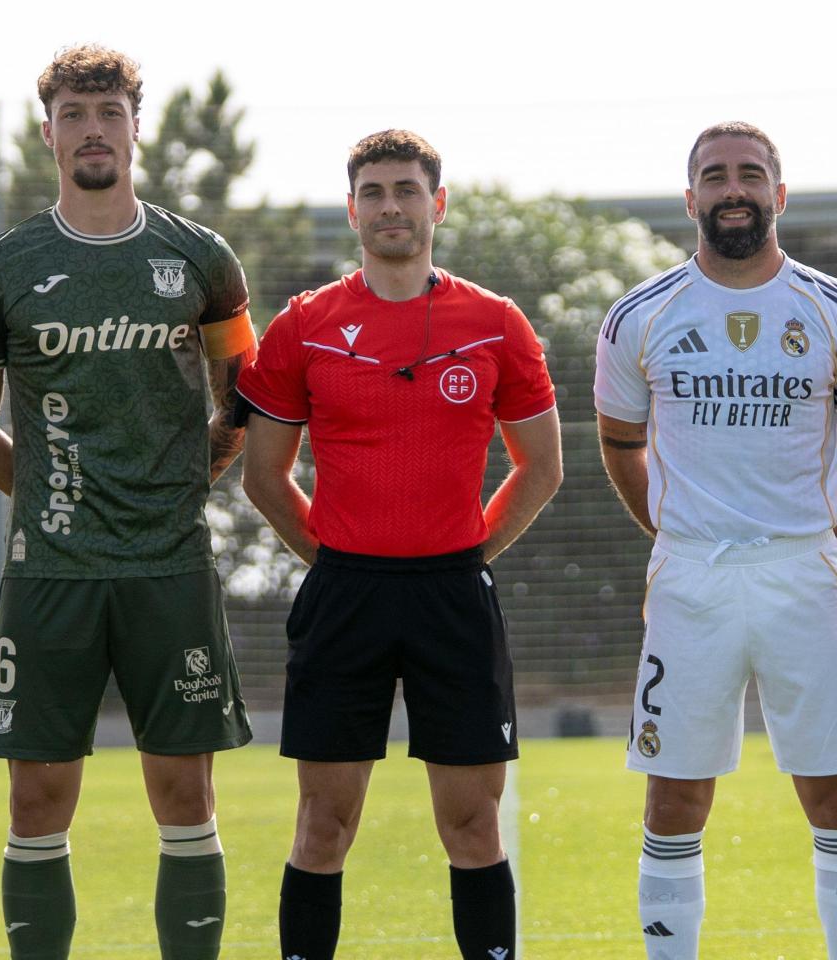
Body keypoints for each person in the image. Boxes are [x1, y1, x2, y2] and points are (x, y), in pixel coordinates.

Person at [0, 45, 255, 960]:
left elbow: (241, 401)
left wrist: (182, 489)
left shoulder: (201, 257)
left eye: (109, 113)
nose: (93, 130)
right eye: (75, 116)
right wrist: (54, 503)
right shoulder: (2, 267)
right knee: (37, 800)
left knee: (185, 797)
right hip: (53, 574)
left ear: (133, 125)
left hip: (172, 568)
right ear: (49, 133)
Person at [238, 129, 562, 960]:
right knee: (324, 823)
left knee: (472, 822)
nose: (391, 206)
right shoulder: (306, 325)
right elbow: (265, 478)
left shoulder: (493, 323)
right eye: (374, 192)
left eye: (407, 190)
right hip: (345, 595)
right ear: (353, 210)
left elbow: (541, 467)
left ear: (437, 204)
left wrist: (469, 554)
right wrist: (338, 559)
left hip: (453, 593)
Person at [594, 121, 837, 960]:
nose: (735, 189)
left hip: (802, 573)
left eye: (751, 175)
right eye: (716, 176)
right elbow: (621, 444)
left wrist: (827, 538)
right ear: (690, 198)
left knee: (835, 797)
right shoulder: (638, 317)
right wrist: (669, 530)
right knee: (673, 803)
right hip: (690, 578)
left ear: (779, 193)